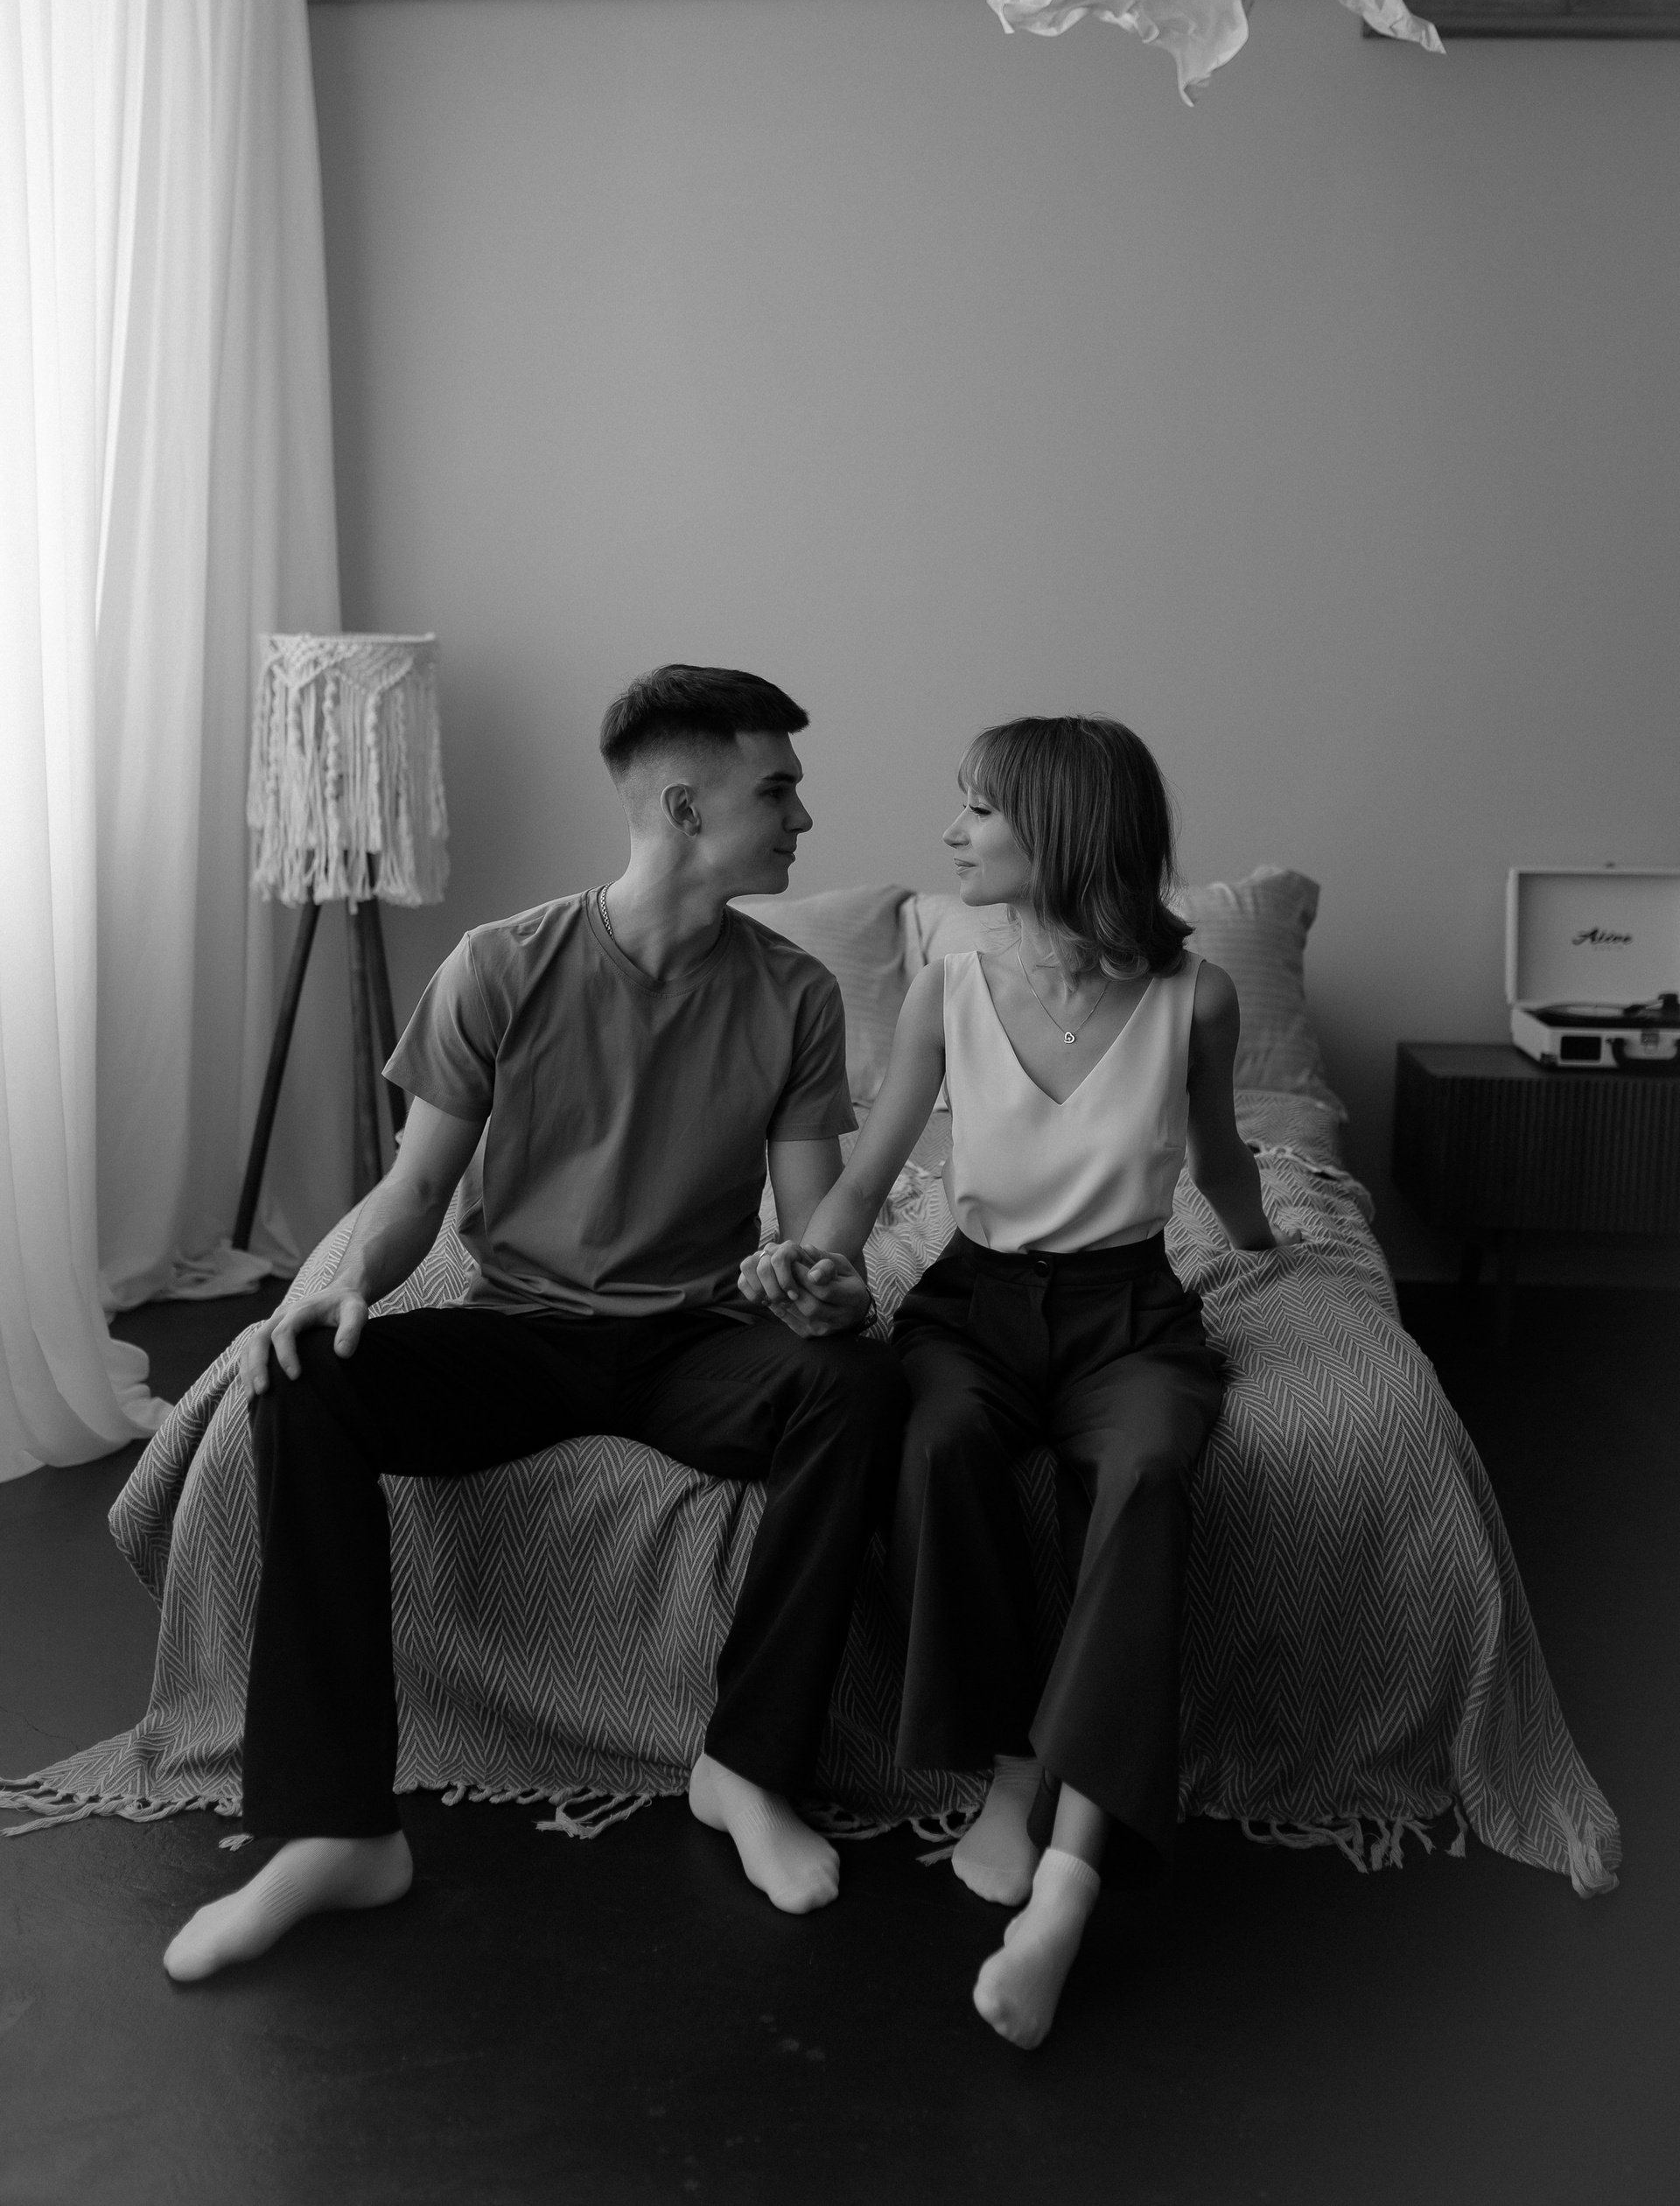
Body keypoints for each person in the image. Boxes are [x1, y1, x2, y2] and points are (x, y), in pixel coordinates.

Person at [163, 664, 900, 1984]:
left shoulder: (794, 993)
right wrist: (340, 1284)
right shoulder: (501, 965)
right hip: (518, 1332)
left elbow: (808, 1231)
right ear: (685, 807)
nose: (803, 816)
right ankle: (337, 1831)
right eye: (778, 789)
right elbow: (414, 1193)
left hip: (691, 1341)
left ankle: (746, 1768)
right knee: (304, 1379)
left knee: (857, 1383)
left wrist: (828, 1288)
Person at [740, 715, 1277, 2049]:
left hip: (1131, 1314)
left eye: (978, 808)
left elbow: (1221, 1159)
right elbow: (868, 1175)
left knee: (1148, 1469)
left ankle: (1073, 1879)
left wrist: (1275, 1250)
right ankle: (1011, 1772)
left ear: (1064, 828)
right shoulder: (948, 987)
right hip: (973, 1306)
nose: (952, 833)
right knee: (941, 1444)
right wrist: (810, 1263)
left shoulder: (1199, 999)